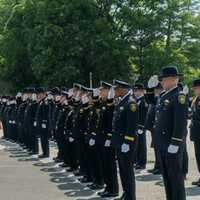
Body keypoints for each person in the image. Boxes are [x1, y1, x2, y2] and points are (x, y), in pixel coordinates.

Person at [154, 65, 188, 200]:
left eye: (164, 79)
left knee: (176, 180)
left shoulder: (178, 96)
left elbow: (180, 122)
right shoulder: (165, 95)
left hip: (171, 144)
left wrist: (175, 142)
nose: (161, 82)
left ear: (174, 79)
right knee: (167, 179)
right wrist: (150, 91)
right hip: (163, 144)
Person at [112, 80, 138, 200]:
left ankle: (131, 196)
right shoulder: (121, 102)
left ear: (123, 89)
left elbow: (131, 126)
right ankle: (126, 193)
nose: (115, 91)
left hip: (126, 143)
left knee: (127, 170)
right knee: (122, 170)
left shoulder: (130, 103)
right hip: (120, 142)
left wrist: (127, 142)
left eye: (116, 89)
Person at [134, 83, 148, 169]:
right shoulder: (136, 100)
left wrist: (142, 126)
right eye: (135, 90)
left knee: (141, 145)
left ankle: (142, 163)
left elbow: (144, 115)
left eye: (137, 90)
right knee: (137, 145)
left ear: (142, 91)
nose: (135, 92)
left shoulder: (143, 100)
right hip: (136, 126)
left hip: (140, 126)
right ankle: (137, 161)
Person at [190, 78, 200, 186]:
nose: (194, 90)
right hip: (197, 133)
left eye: (195, 88)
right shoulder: (196, 99)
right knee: (198, 156)